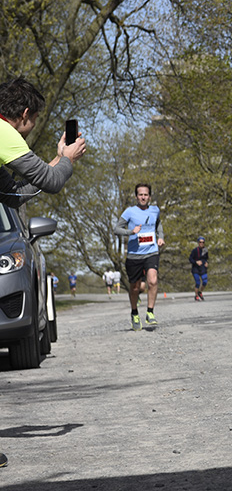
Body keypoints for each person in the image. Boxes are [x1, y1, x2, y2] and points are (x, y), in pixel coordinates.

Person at [0, 77, 85, 472]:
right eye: (32, 121)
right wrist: (67, 160)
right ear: (26, 115)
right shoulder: (4, 133)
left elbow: (16, 192)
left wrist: (54, 161)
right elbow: (49, 184)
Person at [0, 78, 86, 207]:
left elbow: (13, 194)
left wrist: (60, 158)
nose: (34, 125)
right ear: (25, 113)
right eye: (35, 119)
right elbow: (52, 182)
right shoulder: (5, 133)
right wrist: (69, 158)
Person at [114, 184, 165, 330]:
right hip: (134, 255)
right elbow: (116, 229)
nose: (143, 197)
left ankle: (150, 312)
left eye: (146, 195)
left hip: (152, 252)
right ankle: (134, 312)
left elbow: (158, 224)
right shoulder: (129, 212)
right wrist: (131, 232)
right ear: (136, 196)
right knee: (135, 287)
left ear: (149, 196)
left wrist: (160, 237)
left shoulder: (155, 210)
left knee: (153, 281)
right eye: (141, 195)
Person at [189, 236, 209, 301]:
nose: (201, 243)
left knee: (205, 282)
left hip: (202, 268)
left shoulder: (205, 250)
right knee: (198, 282)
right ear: (198, 243)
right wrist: (196, 262)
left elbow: (206, 258)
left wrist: (206, 262)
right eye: (200, 242)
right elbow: (190, 259)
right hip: (196, 269)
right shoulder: (195, 250)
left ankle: (200, 292)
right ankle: (196, 295)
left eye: (203, 242)